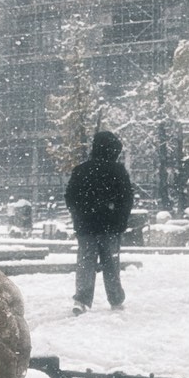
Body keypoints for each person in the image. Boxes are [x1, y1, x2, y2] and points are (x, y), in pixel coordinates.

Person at [64, 129, 135, 314]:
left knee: (85, 263)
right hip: (110, 227)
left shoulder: (81, 170)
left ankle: (81, 299)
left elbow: (70, 198)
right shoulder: (118, 171)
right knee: (111, 265)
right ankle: (116, 299)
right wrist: (119, 220)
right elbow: (126, 199)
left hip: (86, 227)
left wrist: (80, 215)